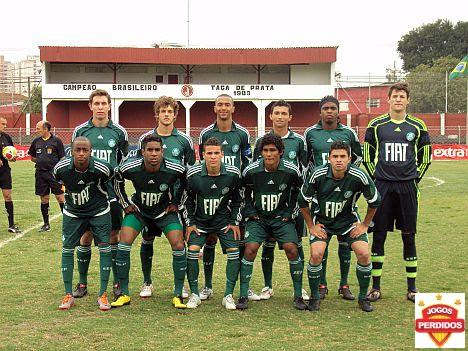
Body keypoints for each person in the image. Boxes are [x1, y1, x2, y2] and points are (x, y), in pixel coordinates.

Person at [363, 82, 431, 303]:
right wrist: (377, 177)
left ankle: (412, 288)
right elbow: (367, 155)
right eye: (395, 96)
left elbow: (426, 157)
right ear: (388, 99)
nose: (399, 99)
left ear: (408, 100)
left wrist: (412, 178)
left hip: (407, 187)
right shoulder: (376, 125)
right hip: (383, 186)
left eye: (403, 96)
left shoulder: (418, 126)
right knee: (379, 235)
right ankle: (375, 287)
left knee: (408, 236)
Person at [300, 141, 381, 312]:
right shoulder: (318, 174)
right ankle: (315, 297)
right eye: (335, 156)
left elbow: (375, 201)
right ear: (329, 158)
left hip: (347, 222)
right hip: (323, 221)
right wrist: (311, 226)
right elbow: (302, 202)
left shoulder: (359, 175)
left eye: (342, 156)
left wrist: (364, 224)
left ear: (349, 159)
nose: (339, 160)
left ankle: (362, 298)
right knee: (316, 254)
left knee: (364, 254)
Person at [111, 134, 188, 309]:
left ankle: (177, 294)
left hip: (164, 211)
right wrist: (125, 204)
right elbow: (116, 179)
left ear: (163, 152)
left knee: (178, 245)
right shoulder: (131, 167)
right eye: (150, 150)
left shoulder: (174, 167)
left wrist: (176, 203)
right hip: (140, 211)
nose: (154, 154)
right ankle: (124, 293)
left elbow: (186, 182)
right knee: (124, 243)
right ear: (142, 152)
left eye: (157, 150)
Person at [237, 133, 306, 310]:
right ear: (260, 152)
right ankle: (243, 294)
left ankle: (298, 295)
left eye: (273, 150)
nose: (269, 154)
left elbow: (299, 192)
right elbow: (243, 194)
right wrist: (251, 212)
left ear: (281, 152)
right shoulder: (251, 171)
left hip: (281, 219)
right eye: (265, 150)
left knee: (292, 249)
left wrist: (290, 212)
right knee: (250, 249)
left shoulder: (291, 170)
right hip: (258, 219)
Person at [303, 95, 363, 301]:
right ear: (320, 111)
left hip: (344, 192)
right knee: (322, 239)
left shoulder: (349, 133)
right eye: (325, 108)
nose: (329, 111)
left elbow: (358, 156)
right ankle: (322, 284)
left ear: (338, 111)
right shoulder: (310, 133)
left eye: (333, 108)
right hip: (321, 192)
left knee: (346, 243)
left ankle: (344, 284)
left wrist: (347, 178)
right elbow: (306, 161)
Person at [71, 89, 128, 299]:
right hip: (87, 193)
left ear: (109, 106)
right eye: (97, 103)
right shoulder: (81, 131)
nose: (101, 107)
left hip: (111, 193)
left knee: (114, 235)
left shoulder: (119, 132)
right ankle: (83, 283)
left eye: (104, 103)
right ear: (90, 106)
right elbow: (74, 160)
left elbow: (122, 162)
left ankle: (115, 283)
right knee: (86, 236)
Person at [198, 94, 256, 301]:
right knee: (211, 238)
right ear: (214, 108)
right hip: (213, 194)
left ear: (233, 108)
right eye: (220, 104)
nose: (223, 108)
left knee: (239, 239)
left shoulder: (242, 134)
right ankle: (207, 286)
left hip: (236, 193)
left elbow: (248, 162)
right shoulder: (205, 134)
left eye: (227, 105)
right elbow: (201, 163)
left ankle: (243, 287)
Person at [137, 96, 195, 299]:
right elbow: (138, 167)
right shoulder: (146, 138)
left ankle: (182, 285)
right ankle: (147, 282)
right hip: (151, 200)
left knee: (180, 242)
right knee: (147, 238)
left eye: (170, 111)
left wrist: (181, 199)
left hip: (176, 202)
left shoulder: (184, 140)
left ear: (175, 114)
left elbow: (190, 171)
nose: (166, 115)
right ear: (157, 114)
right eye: (163, 111)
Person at [252, 100, 309, 301]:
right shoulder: (262, 140)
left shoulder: (299, 141)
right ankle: (267, 286)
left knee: (296, 244)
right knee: (268, 243)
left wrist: (298, 203)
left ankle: (299, 288)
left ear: (290, 117)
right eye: (276, 112)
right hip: (268, 202)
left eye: (284, 113)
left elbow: (304, 171)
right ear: (271, 116)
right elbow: (255, 171)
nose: (280, 116)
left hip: (291, 204)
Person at [183, 137, 243, 310]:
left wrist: (234, 221)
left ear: (222, 154)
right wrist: (190, 223)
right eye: (209, 153)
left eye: (217, 153)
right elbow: (187, 201)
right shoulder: (193, 174)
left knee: (234, 251)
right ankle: (195, 293)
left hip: (224, 222)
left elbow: (239, 199)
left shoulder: (233, 173)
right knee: (193, 251)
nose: (213, 157)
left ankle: (228, 295)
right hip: (200, 222)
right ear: (203, 155)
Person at [53, 137, 113, 311]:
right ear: (71, 151)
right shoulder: (61, 168)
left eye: (84, 150)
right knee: (67, 248)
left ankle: (102, 294)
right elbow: (57, 181)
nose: (81, 153)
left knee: (104, 248)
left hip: (99, 211)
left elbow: (112, 180)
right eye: (77, 150)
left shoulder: (102, 168)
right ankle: (68, 294)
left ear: (90, 151)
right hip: (73, 212)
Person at [28, 120, 65, 232]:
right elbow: (32, 157)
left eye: (38, 128)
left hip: (54, 174)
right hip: (40, 174)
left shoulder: (57, 141)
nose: (36, 130)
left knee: (60, 198)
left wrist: (60, 172)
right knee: (44, 199)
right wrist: (40, 161)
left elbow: (62, 158)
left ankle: (68, 223)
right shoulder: (36, 142)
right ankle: (46, 224)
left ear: (46, 129)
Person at [0, 117, 20, 233]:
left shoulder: (7, 137)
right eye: (3, 124)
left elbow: (12, 152)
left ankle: (11, 225)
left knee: (8, 196)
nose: (5, 126)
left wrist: (12, 158)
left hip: (5, 171)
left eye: (6, 124)